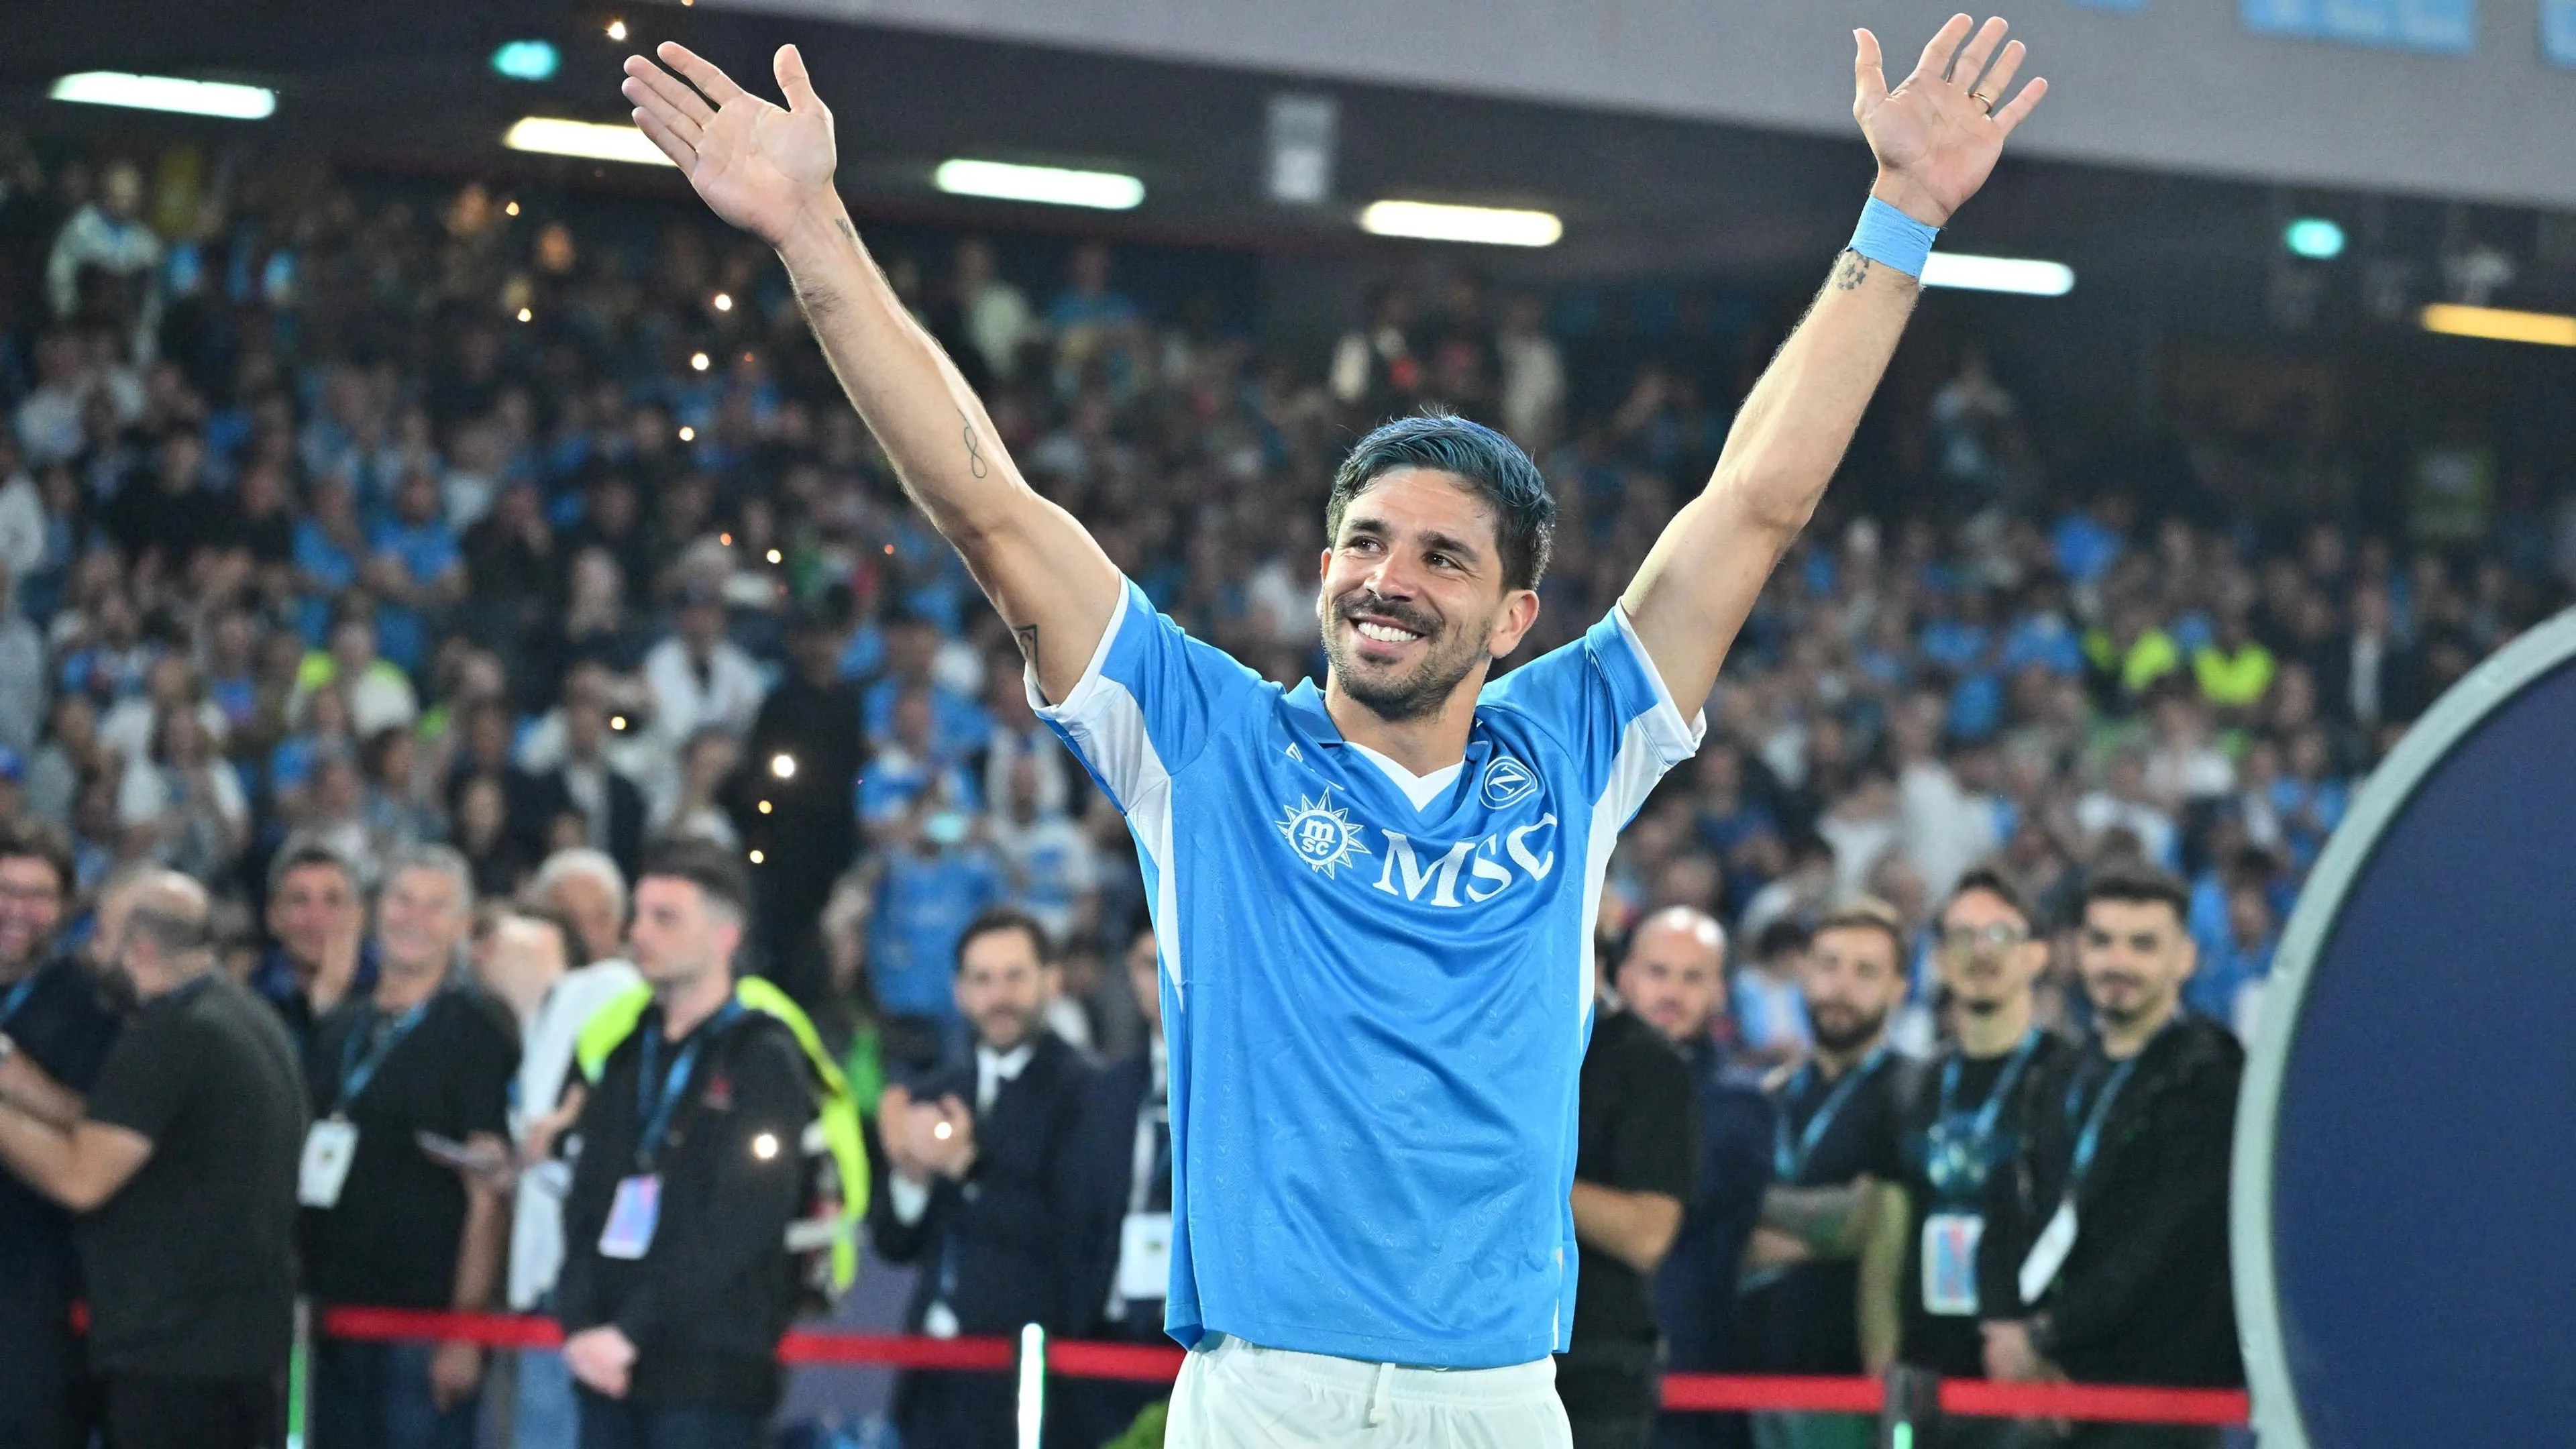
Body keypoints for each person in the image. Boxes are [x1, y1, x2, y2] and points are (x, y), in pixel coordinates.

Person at [623, 18, 2044, 1437]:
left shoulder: (1580, 741)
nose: (1390, 578)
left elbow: (1756, 503)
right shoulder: (1204, 740)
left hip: (1495, 1400)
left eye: (1443, 558)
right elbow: (988, 505)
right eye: (1365, 543)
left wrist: (1904, 210)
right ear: (1320, 573)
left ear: (1514, 618)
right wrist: (812, 227)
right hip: (1265, 1396)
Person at [0, 871, 305, 1449]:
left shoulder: (170, 1038)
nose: (89, 951)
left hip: (174, 1361)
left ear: (139, 947)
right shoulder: (241, 1018)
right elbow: (110, 1121)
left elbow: (79, 1175)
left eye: (101, 934)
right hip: (235, 1353)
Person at [553, 840, 826, 1448]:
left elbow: (743, 1222)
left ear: (727, 934)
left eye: (665, 917)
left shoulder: (764, 1057)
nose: (639, 933)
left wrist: (631, 1333)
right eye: (638, 915)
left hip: (709, 1375)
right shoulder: (625, 1053)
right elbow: (584, 1197)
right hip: (605, 1366)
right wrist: (579, 1324)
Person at [1980, 867, 2243, 1448]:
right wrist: (2006, 1330)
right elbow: (2007, 1201)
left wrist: (2043, 1337)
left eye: (2143, 944)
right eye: (2101, 941)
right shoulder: (2058, 1072)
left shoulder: (2211, 1078)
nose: (2117, 962)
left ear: (2186, 958)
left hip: (2157, 1398)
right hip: (2051, 1390)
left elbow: (2164, 1241)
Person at [301, 846, 518, 1449]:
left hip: (423, 1326)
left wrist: (465, 1330)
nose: (414, 917)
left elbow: (488, 1194)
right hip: (332, 1317)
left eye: (436, 906)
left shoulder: (477, 1031)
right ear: (374, 911)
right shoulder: (342, 1028)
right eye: (402, 900)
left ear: (462, 927)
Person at [1862, 869, 2075, 1447]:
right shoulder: (1909, 1085)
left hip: (2025, 1372)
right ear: (1937, 960)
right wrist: (1882, 1359)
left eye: (1999, 935)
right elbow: (1887, 1228)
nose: (1980, 952)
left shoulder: (2071, 1078)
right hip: (1925, 1378)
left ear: (2037, 956)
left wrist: (2052, 1348)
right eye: (1960, 936)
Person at [870, 907, 1093, 1449]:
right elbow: (894, 1244)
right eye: (983, 979)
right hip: (930, 1376)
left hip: (1028, 1377)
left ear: (1051, 981)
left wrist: (966, 1167)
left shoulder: (1087, 1092)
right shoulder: (938, 1089)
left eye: (1016, 976)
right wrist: (910, 1175)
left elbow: (1071, 1235)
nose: (1000, 997)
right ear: (958, 992)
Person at [1743, 900, 1921, 1449]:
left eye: (1866, 972)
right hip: (1742, 1381)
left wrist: (1752, 1212)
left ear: (1900, 989)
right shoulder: (1761, 1099)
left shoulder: (1915, 1094)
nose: (1842, 986)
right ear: (1803, 973)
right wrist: (1837, 1226)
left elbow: (1880, 1220)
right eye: (1829, 965)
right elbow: (1713, 1227)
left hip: (1857, 1390)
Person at [474, 902, 641, 1449]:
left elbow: (627, 1114)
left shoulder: (602, 988)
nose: (480, 953)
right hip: (549, 1276)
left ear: (548, 940)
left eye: (493, 936)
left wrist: (571, 1129)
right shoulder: (529, 1023)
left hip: (582, 1277)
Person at [1613, 910, 1770, 1449]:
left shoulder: (1740, 1105)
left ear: (1721, 992)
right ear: (1625, 978)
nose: (1672, 992)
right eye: (1658, 972)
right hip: (1581, 1372)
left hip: (1693, 1392)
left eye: (1692, 977)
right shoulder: (1575, 1085)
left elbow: (1663, 1220)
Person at [0, 824, 121, 1449]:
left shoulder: (94, 1004)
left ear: (66, 906)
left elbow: (100, 1125)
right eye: (5, 889)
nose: (18, 909)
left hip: (36, 1286)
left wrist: (9, 1073)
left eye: (38, 894)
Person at [1560, 949, 1700, 1448]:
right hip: (1478, 1341)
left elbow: (1646, 1234)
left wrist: (1522, 1177)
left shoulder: (1648, 1061)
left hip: (1596, 1363)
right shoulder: (1487, 1044)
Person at [1061, 924, 1179, 1448]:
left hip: (1197, 1341)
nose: (1162, 979)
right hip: (1104, 1341)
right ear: (1130, 975)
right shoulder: (1103, 1091)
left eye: (1174, 961)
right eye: (1148, 965)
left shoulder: (1242, 1087)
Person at [251, 839, 373, 1050]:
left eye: (333, 901)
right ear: (273, 917)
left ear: (359, 916)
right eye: (299, 900)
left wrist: (330, 1009)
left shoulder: (387, 997)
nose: (316, 919)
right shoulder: (252, 1003)